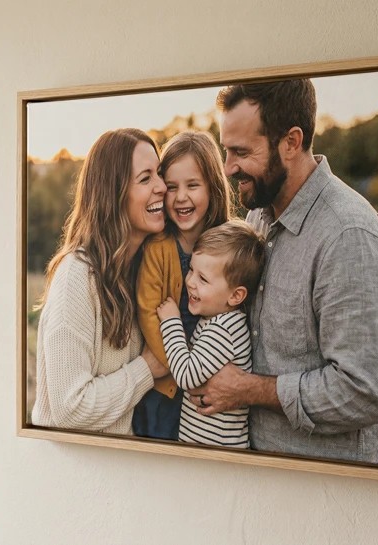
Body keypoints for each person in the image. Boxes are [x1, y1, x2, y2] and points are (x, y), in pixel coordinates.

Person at [189, 80, 378, 464]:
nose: (228, 167)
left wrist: (249, 390)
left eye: (241, 151)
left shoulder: (348, 237)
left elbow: (363, 392)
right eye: (226, 150)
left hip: (330, 489)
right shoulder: (258, 217)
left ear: (290, 142)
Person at [31, 128, 171, 435]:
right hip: (70, 473)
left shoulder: (143, 271)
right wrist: (147, 369)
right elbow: (71, 408)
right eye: (146, 178)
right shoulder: (76, 277)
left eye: (159, 173)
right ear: (114, 193)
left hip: (113, 470)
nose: (162, 186)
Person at [133, 130, 236, 440]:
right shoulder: (158, 247)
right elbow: (149, 313)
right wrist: (178, 367)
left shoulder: (229, 245)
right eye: (172, 187)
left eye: (193, 185)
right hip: (166, 387)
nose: (181, 197)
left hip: (210, 385)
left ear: (213, 188)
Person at [156, 220, 266, 448]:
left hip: (216, 456)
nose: (190, 282)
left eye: (203, 279)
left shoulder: (223, 330)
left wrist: (171, 322)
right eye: (191, 270)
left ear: (236, 296)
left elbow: (186, 375)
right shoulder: (217, 319)